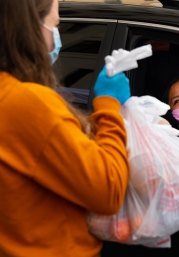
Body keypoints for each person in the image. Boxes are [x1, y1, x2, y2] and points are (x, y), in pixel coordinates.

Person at [0, 0, 131, 256]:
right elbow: (109, 189)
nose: (56, 36)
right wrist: (109, 105)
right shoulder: (29, 103)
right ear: (31, 28)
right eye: (55, 25)